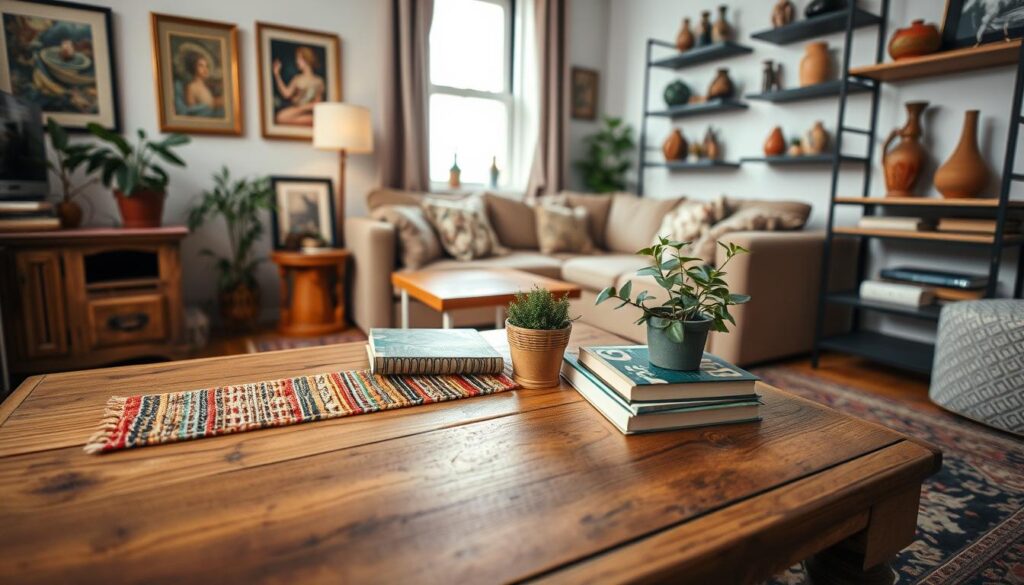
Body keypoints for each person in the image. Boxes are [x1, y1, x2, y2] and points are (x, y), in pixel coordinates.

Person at [272, 46, 325, 126]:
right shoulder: (297, 79)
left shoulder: (318, 81)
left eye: (299, 59)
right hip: (297, 111)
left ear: (306, 59)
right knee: (280, 117)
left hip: (309, 112)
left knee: (317, 119)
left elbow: (318, 102)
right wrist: (277, 75)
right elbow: (286, 94)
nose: (297, 62)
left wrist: (309, 107)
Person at [183, 50, 223, 115]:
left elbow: (209, 102)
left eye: (206, 66)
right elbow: (192, 111)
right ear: (194, 67)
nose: (205, 69)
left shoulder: (205, 86)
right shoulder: (191, 87)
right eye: (201, 65)